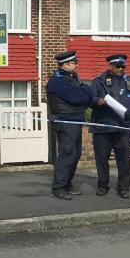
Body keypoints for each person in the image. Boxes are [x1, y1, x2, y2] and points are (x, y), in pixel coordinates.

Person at [46, 51, 103, 200]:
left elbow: (87, 92)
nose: (77, 65)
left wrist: (86, 93)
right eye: (74, 63)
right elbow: (77, 97)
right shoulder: (58, 81)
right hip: (65, 121)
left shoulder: (72, 78)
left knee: (76, 154)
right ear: (65, 65)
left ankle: (67, 183)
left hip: (75, 120)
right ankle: (58, 187)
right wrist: (85, 93)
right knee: (66, 154)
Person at [89, 54, 130, 199]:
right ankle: (102, 186)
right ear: (110, 66)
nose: (120, 69)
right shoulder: (99, 81)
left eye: (123, 66)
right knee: (101, 160)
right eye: (117, 66)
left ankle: (124, 188)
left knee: (125, 161)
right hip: (103, 127)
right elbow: (89, 99)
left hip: (123, 129)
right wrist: (96, 101)